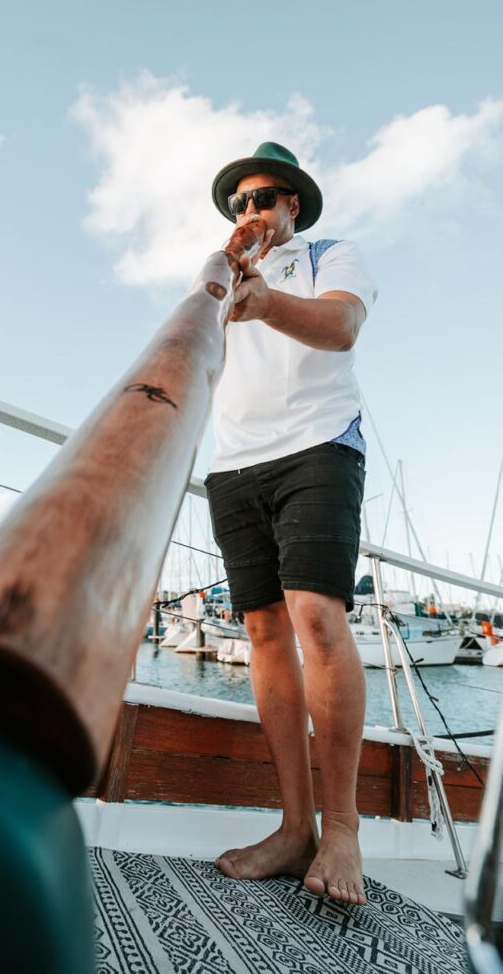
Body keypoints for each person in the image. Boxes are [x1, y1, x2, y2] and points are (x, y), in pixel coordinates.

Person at [205, 142, 377, 906]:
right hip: (234, 461)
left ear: (292, 205)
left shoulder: (330, 255)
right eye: (240, 202)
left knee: (315, 618)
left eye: (265, 198)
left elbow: (340, 329)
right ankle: (293, 827)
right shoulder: (216, 274)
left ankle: (341, 829)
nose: (251, 211)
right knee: (264, 634)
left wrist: (267, 301)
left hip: (317, 445)